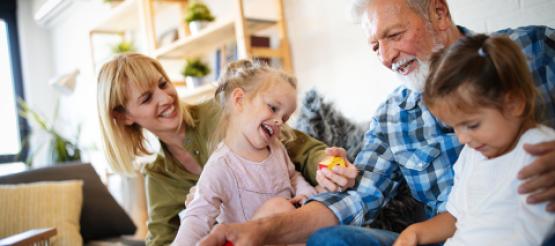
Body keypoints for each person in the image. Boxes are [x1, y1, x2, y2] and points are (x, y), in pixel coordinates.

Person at [199, 0, 555, 245]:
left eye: (395, 35)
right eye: (374, 46)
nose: (385, 57)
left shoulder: (531, 49)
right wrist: (261, 231)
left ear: (439, 13)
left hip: (532, 228)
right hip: (445, 236)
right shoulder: (393, 115)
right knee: (331, 240)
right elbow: (355, 199)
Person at [96, 53, 356, 245]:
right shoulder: (159, 174)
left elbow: (301, 149)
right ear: (123, 116)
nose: (165, 98)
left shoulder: (224, 111)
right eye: (146, 98)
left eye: (163, 84)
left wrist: (328, 164)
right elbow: (168, 235)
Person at [393, 34, 555, 246]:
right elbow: (456, 217)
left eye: (472, 125)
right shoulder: (472, 154)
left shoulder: (540, 151)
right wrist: (413, 233)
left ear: (514, 102)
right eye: (454, 127)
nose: (462, 138)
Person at [172, 59, 323, 245]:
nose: (278, 121)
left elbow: (292, 176)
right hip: (248, 240)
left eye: (284, 117)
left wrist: (307, 195)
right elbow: (197, 216)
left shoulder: (276, 148)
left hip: (283, 235)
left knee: (321, 202)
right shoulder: (221, 165)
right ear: (239, 100)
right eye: (273, 108)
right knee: (279, 207)